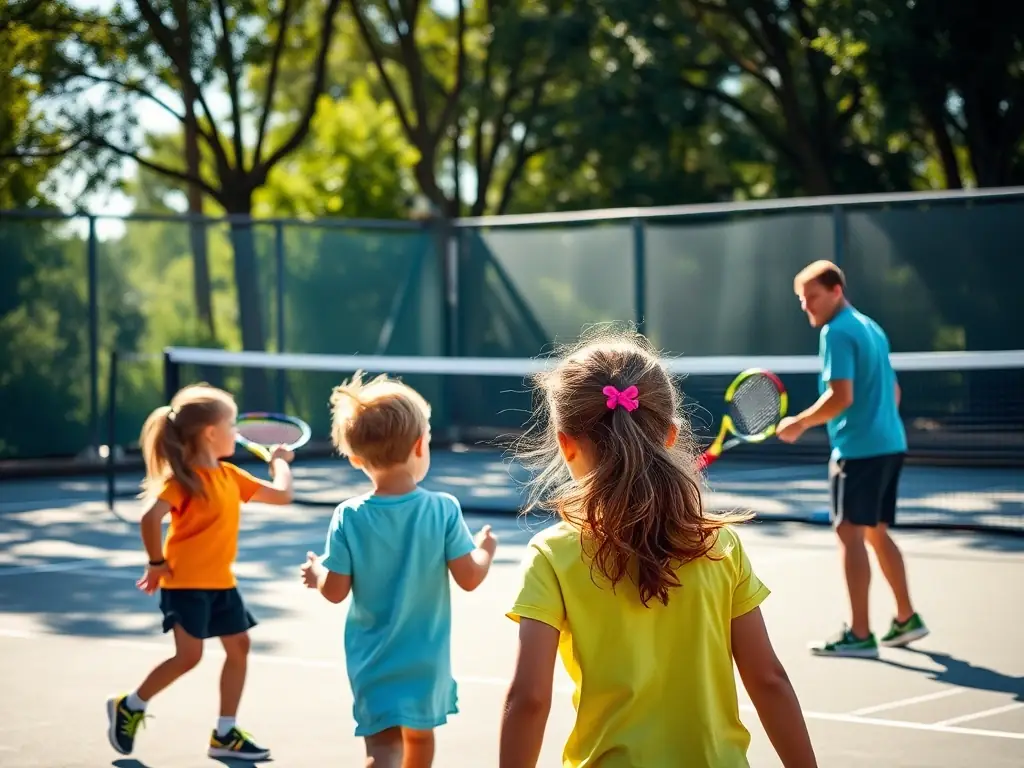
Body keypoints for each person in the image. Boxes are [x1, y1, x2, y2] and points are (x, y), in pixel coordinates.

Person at [499, 328, 818, 768]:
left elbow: (529, 699)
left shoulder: (551, 555)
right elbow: (769, 680)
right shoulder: (720, 544)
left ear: (564, 443)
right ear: (670, 435)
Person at [299, 371, 498, 768]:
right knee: (420, 743)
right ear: (421, 444)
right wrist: (485, 550)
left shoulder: (349, 516)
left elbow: (335, 590)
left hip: (371, 661)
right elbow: (470, 577)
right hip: (426, 661)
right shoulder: (442, 509)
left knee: (383, 750)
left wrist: (317, 572)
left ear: (355, 458)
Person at [106, 383, 295, 761]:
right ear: (210, 433)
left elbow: (282, 495)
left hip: (222, 583)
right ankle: (131, 704)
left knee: (239, 646)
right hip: (186, 585)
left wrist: (280, 464)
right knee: (189, 657)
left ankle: (225, 733)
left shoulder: (231, 476)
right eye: (231, 424)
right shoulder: (184, 481)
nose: (237, 432)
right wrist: (156, 564)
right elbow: (150, 517)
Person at [776, 260, 929, 658]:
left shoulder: (837, 331)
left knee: (849, 533)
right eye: (801, 299)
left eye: (812, 297)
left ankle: (860, 633)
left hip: (860, 451)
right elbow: (892, 391)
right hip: (889, 444)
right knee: (876, 531)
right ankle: (906, 617)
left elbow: (842, 397)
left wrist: (799, 423)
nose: (806, 306)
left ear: (836, 292)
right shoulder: (870, 327)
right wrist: (879, 424)